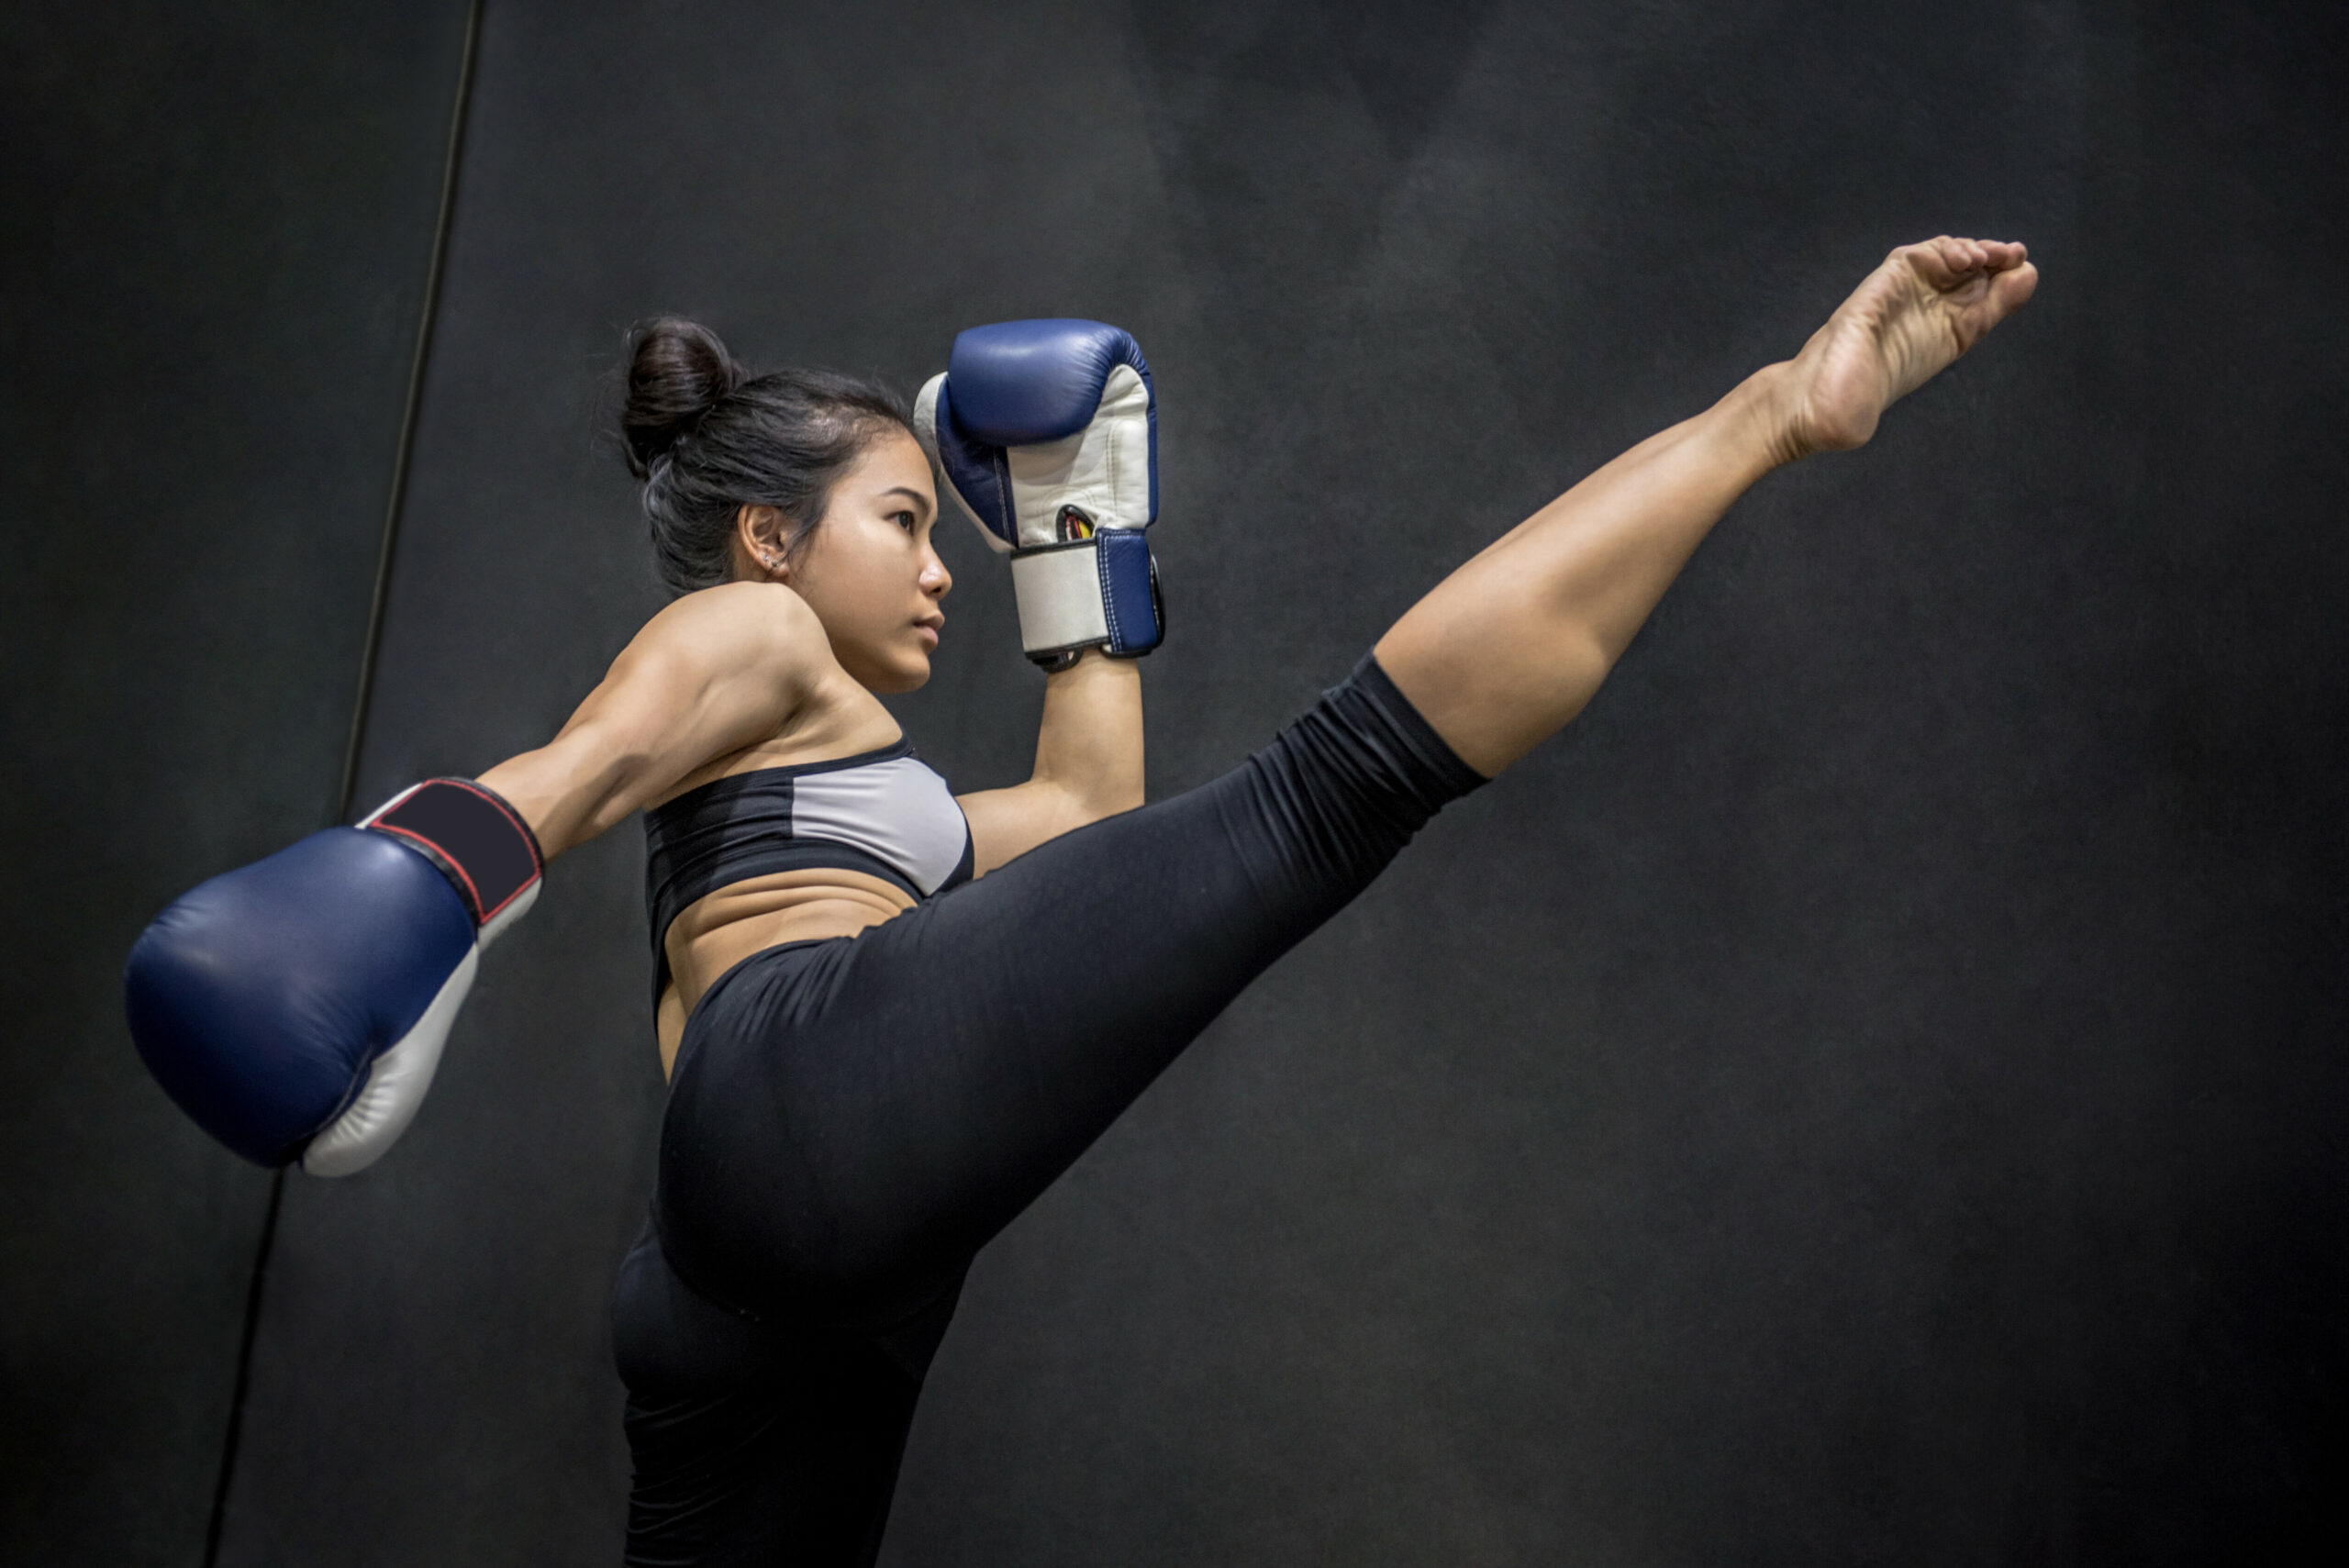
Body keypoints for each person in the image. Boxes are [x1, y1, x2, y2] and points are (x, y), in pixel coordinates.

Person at [125, 237, 2036, 1564]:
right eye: (903, 519)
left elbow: (1086, 825)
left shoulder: (858, 797)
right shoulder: (742, 626)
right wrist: (432, 880)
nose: (931, 573)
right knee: (1329, 793)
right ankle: (1774, 415)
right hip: (791, 1126)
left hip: (744, 1300)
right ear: (773, 536)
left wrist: (1076, 539)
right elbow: (602, 751)